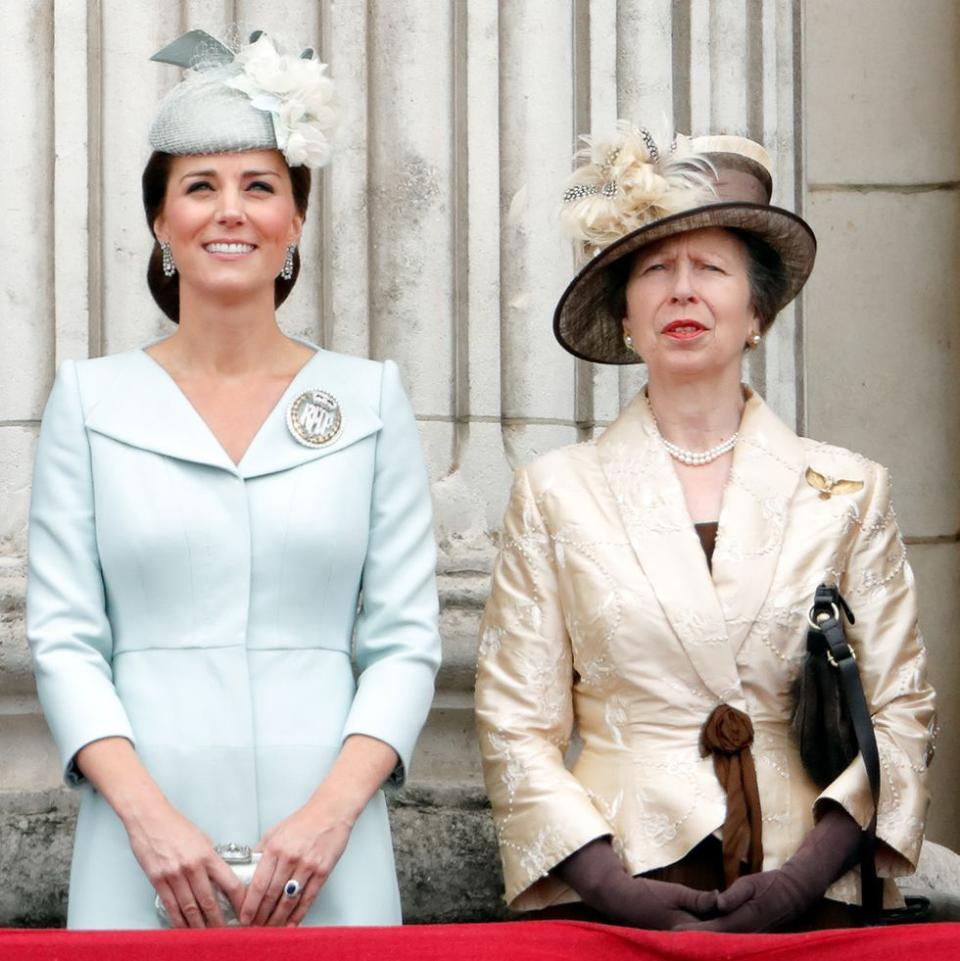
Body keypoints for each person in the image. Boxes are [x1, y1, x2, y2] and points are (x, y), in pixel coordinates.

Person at [474, 124, 936, 932]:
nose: (681, 290)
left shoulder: (850, 489)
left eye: (710, 268)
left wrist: (808, 874)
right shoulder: (554, 492)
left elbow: (901, 711)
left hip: (812, 883)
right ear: (625, 312)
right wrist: (612, 889)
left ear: (756, 309)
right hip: (623, 876)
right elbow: (515, 721)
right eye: (655, 269)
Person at [27, 29, 440, 929]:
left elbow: (406, 640)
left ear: (294, 219)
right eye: (199, 187)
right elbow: (63, 637)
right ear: (161, 221)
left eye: (260, 186)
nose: (230, 211)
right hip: (143, 843)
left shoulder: (367, 398)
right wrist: (148, 817)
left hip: (329, 847)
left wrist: (330, 818)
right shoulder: (90, 400)